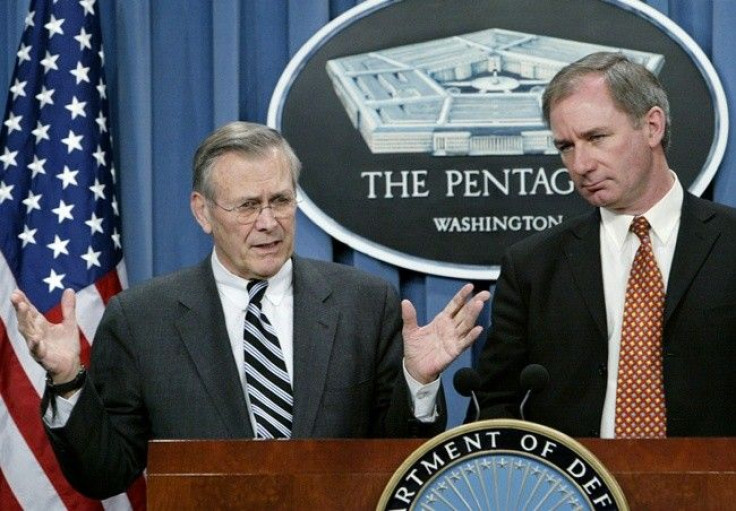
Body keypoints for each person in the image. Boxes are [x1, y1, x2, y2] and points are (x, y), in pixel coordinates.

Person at [12, 121, 491, 499]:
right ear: (202, 212)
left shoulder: (365, 304)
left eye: (280, 200)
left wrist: (419, 382)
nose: (269, 222)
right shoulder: (141, 320)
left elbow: (398, 459)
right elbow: (104, 474)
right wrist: (68, 380)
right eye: (247, 206)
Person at [472, 52, 736, 438]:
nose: (580, 164)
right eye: (566, 146)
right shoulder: (533, 266)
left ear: (652, 127)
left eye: (596, 138)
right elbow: (495, 407)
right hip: (574, 491)